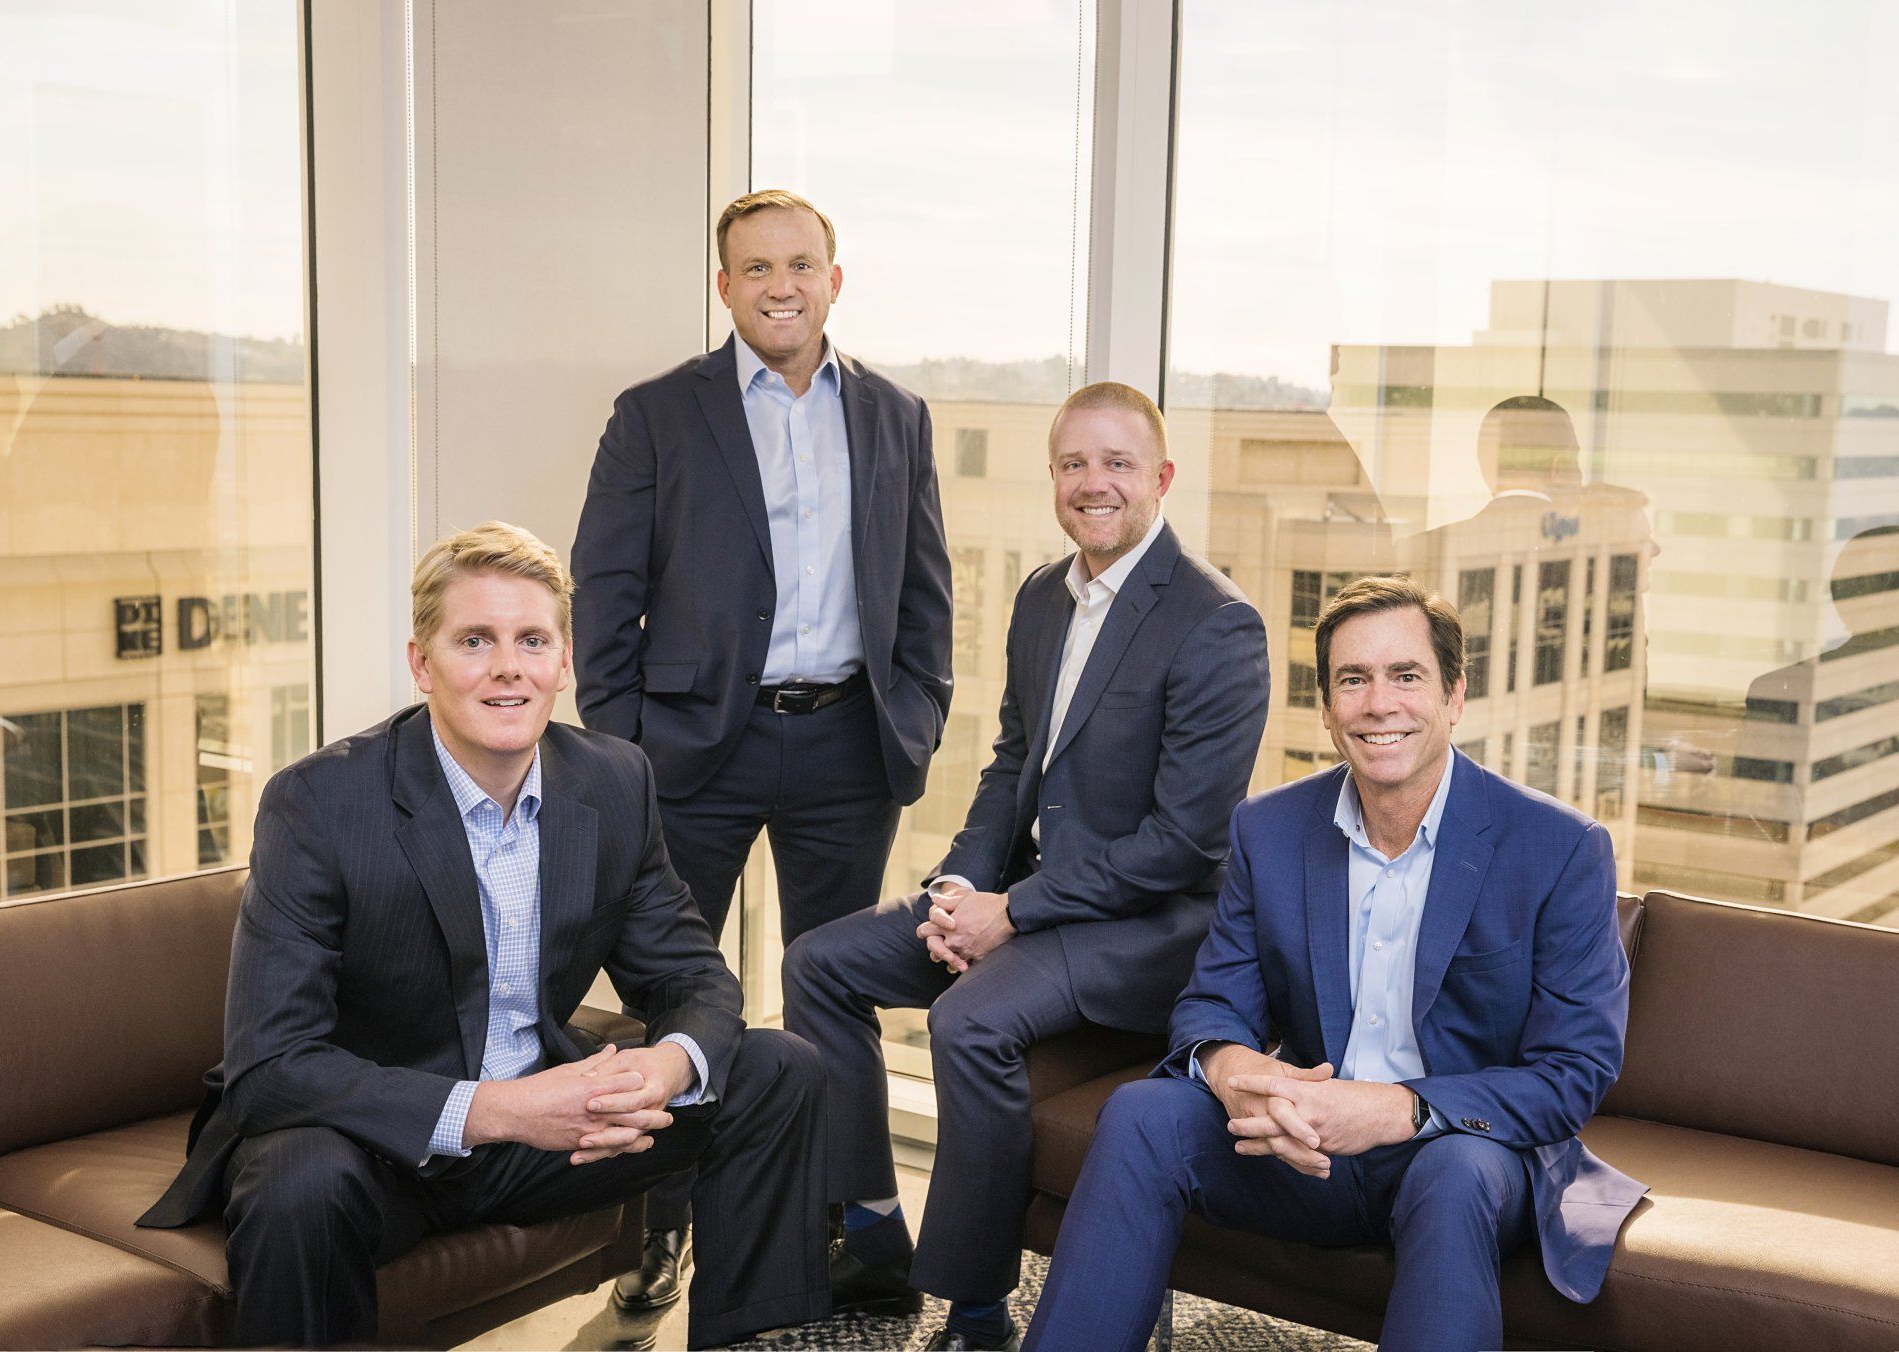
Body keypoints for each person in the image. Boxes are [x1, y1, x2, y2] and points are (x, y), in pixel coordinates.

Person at [138, 522, 829, 1350]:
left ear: (563, 662)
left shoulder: (613, 782)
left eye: (532, 640)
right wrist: (500, 1111)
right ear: (423, 665)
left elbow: (692, 975)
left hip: (547, 1136)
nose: (509, 666)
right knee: (298, 1183)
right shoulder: (319, 804)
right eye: (476, 640)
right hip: (380, 1145)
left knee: (778, 1070)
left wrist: (663, 1067)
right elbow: (270, 1065)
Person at [1025, 574, 1646, 1352]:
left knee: (1453, 1173)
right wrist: (1241, 1077)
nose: (1378, 703)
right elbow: (1212, 1005)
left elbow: (1572, 1074)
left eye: (1406, 676)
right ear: (1327, 707)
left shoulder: (1556, 848)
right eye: (1353, 680)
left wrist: (1394, 1109)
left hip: (1464, 1155)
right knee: (1144, 1115)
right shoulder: (1271, 830)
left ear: (1455, 697)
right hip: (1303, 1145)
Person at [783, 382, 1270, 1351]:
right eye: (1074, 463)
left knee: (970, 1018)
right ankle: (873, 1224)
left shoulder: (1219, 622)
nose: (1093, 483)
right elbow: (1014, 764)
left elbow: (1185, 843)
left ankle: (973, 1309)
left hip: (1148, 927)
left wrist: (1016, 909)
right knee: (817, 963)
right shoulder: (1044, 596)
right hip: (1033, 899)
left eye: (1117, 463)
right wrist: (961, 889)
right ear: (1053, 477)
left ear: (1162, 477)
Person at [571, 188, 951, 1306]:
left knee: (835, 986)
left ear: (836, 277)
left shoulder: (897, 415)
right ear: (724, 285)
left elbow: (925, 592)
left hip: (845, 745)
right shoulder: (655, 414)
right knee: (677, 993)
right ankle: (663, 1226)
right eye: (756, 267)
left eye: (801, 263)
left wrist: (913, 716)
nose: (780, 284)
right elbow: (606, 594)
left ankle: (859, 1224)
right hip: (692, 750)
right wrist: (627, 748)